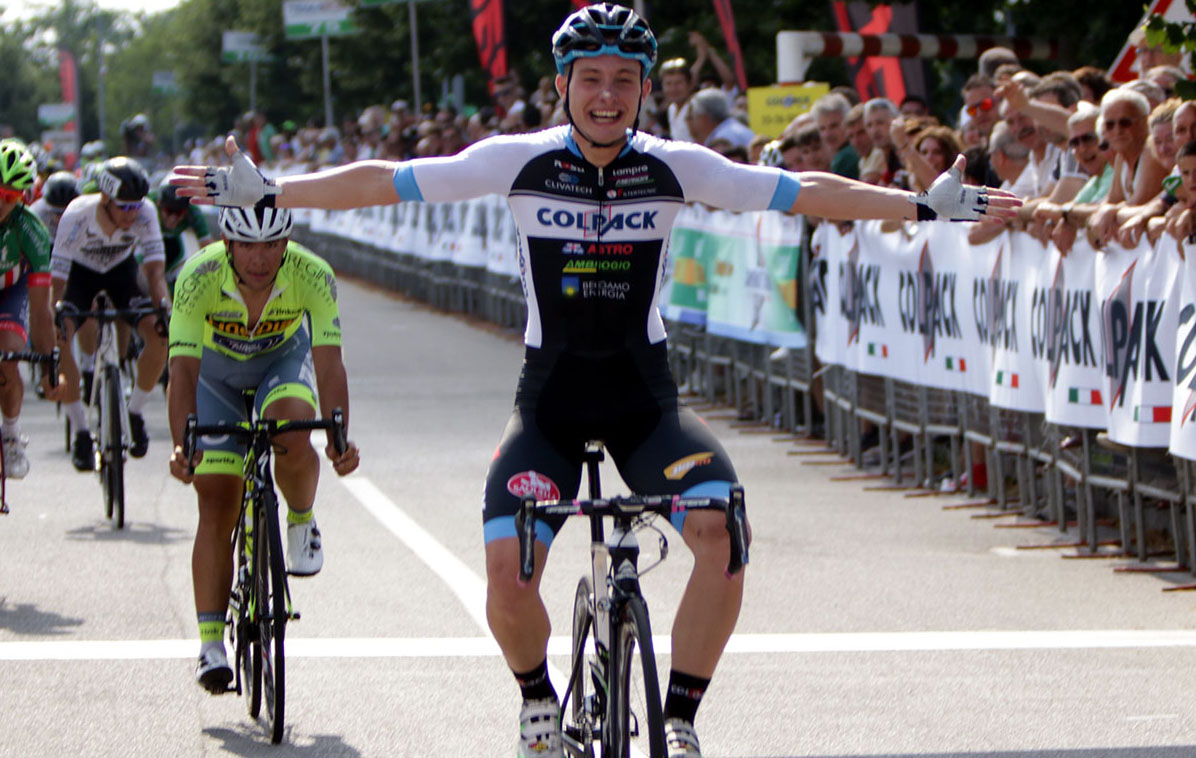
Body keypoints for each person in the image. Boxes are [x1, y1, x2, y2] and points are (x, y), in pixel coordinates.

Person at [172, 5, 1017, 755]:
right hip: (551, 403)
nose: (607, 95)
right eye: (590, 79)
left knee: (721, 535)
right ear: (563, 86)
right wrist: (277, 190)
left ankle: (679, 716)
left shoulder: (676, 166)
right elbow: (385, 184)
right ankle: (538, 699)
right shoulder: (520, 161)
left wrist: (921, 206)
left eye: (623, 80)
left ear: (645, 89)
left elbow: (800, 192)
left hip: (645, 404)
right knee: (508, 573)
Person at [166, 203, 360, 693]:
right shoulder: (197, 276)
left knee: (293, 431)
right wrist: (182, 443)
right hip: (214, 377)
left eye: (272, 245)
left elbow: (329, 362)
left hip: (281, 363)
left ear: (285, 244)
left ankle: (300, 520)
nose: (260, 257)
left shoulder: (312, 273)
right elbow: (182, 369)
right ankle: (211, 645)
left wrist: (339, 437)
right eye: (248, 246)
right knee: (217, 500)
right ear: (227, 245)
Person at [51, 156, 168, 470]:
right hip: (80, 276)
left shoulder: (146, 212)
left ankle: (135, 411)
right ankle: (80, 431)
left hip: (122, 273)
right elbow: (57, 280)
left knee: (160, 334)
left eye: (136, 206)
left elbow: (154, 271)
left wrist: (163, 309)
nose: (132, 214)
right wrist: (55, 317)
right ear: (104, 199)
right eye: (124, 207)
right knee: (61, 337)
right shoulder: (77, 215)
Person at [0, 141, 57, 477]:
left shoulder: (31, 230)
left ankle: (10, 435)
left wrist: (49, 364)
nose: (1, 203)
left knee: (8, 354)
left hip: (11, 289)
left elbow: (41, 312)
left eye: (10, 196)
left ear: (24, 197)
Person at [152, 177, 214, 295]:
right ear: (160, 203)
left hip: (174, 246)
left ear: (186, 210)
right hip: (148, 242)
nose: (173, 218)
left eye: (179, 212)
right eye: (169, 211)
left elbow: (208, 250)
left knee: (183, 282)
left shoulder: (193, 212)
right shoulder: (151, 204)